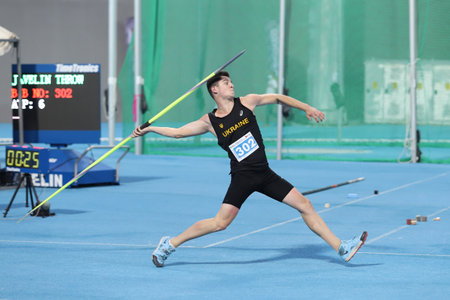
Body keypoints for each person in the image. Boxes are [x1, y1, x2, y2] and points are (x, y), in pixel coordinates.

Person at [133, 71, 367, 267]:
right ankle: (170, 243)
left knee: (305, 205)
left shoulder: (247, 102)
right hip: (242, 177)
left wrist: (306, 107)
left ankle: (341, 247)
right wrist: (150, 129)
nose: (231, 84)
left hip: (264, 174)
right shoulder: (209, 121)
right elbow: (178, 132)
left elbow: (276, 98)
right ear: (214, 90)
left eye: (231, 81)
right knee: (220, 224)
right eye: (226, 83)